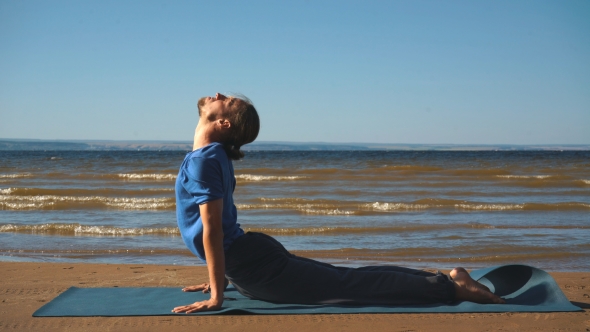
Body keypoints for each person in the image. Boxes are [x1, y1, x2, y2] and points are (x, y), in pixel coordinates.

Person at [172, 93, 505, 314]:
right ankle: (446, 281)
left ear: (223, 122)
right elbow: (217, 226)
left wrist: (217, 295)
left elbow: (213, 229)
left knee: (348, 285)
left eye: (226, 99)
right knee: (345, 279)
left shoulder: (205, 159)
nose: (217, 94)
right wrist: (223, 277)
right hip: (248, 258)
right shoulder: (209, 156)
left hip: (253, 263)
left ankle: (450, 287)